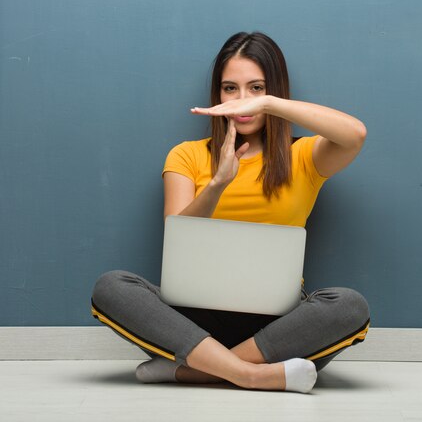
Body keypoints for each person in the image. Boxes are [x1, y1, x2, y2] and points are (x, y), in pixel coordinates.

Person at [91, 32, 370, 394]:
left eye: (256, 88)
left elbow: (355, 134)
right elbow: (179, 237)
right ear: (216, 94)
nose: (242, 102)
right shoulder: (186, 155)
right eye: (230, 89)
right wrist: (217, 184)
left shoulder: (303, 156)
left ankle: (195, 371)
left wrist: (268, 103)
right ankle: (251, 375)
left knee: (349, 307)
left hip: (275, 325)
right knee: (111, 288)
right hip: (193, 320)